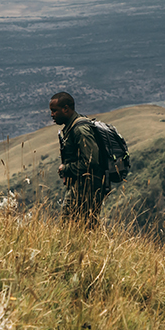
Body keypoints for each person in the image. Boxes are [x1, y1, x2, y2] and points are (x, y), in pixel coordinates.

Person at [50, 91, 105, 228]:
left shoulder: (80, 130)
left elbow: (91, 161)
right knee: (86, 228)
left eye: (54, 111)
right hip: (82, 187)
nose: (52, 115)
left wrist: (66, 169)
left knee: (68, 227)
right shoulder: (73, 127)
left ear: (66, 109)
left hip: (86, 188)